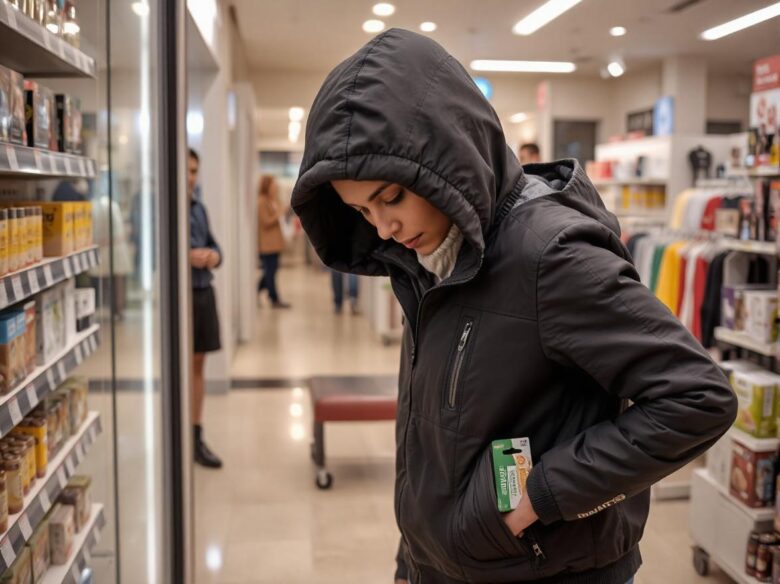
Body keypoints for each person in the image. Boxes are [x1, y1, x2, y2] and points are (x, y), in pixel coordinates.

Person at [292, 29, 736, 584]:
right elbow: (437, 429)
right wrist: (414, 560)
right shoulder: (425, 259)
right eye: (361, 211)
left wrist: (540, 496)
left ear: (444, 157)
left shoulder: (550, 256)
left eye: (391, 197)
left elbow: (697, 398)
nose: (383, 226)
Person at [188, 148, 223, 469]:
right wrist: (185, 257)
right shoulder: (165, 209)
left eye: (195, 170)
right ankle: (179, 432)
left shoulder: (199, 209)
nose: (190, 176)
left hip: (202, 293)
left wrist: (212, 256)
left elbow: (217, 248)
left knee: (198, 364)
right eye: (186, 170)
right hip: (179, 298)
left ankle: (195, 435)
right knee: (181, 366)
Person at [257, 175, 291, 309]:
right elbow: (265, 222)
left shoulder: (272, 201)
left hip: (275, 244)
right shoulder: (261, 201)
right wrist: (279, 214)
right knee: (270, 272)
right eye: (273, 185)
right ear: (267, 186)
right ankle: (274, 298)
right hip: (267, 245)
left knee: (271, 271)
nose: (275, 187)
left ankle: (259, 290)